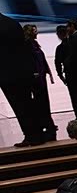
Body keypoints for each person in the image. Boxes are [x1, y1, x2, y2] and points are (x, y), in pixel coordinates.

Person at [0, 13, 40, 147]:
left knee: (19, 107)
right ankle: (37, 135)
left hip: (7, 74)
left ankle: (30, 135)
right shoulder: (13, 23)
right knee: (28, 104)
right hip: (23, 72)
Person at [23, 25, 57, 142]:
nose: (37, 32)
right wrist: (35, 73)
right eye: (34, 30)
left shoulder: (34, 44)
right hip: (36, 79)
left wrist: (47, 72)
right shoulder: (28, 44)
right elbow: (31, 61)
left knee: (43, 103)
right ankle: (45, 126)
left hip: (40, 78)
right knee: (41, 103)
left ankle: (48, 126)